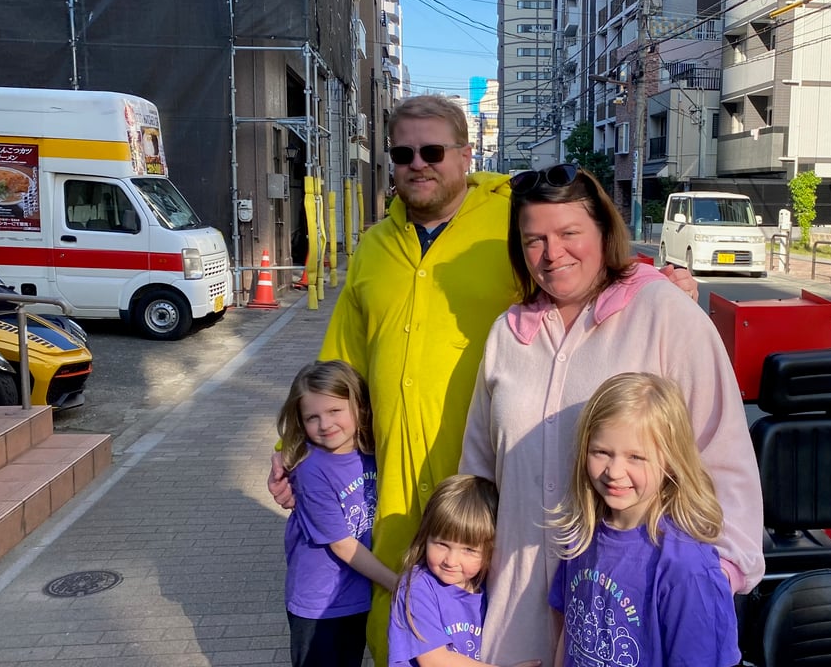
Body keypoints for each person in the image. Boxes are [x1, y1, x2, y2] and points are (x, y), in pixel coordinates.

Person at [267, 94, 698, 663]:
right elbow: (339, 365)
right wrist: (289, 446)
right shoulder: (373, 247)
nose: (418, 162)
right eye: (403, 152)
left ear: (466, 155)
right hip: (389, 487)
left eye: (433, 150)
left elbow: (574, 258)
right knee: (398, 630)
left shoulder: (509, 220)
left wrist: (656, 281)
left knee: (473, 637)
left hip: (490, 497)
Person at [459, 163, 764, 666]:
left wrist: (716, 573)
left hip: (629, 613)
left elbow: (724, 454)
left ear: (604, 231)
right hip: (518, 608)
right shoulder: (507, 334)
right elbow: (479, 470)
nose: (552, 253)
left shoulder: (666, 316)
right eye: (533, 239)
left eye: (569, 233)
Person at [547, 372, 740, 667]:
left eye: (636, 457)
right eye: (601, 452)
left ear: (671, 461)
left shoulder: (687, 567)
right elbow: (568, 634)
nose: (614, 470)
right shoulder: (581, 537)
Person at [277, 361, 399, 667]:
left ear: (359, 407)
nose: (325, 424)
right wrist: (398, 584)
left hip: (357, 595)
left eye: (335, 411)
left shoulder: (373, 454)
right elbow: (342, 545)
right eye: (312, 417)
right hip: (319, 605)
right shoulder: (312, 470)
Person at [388, 474, 541, 667]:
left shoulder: (489, 584)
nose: (451, 561)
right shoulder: (417, 587)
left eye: (469, 550)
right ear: (425, 536)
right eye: (442, 544)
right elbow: (434, 661)